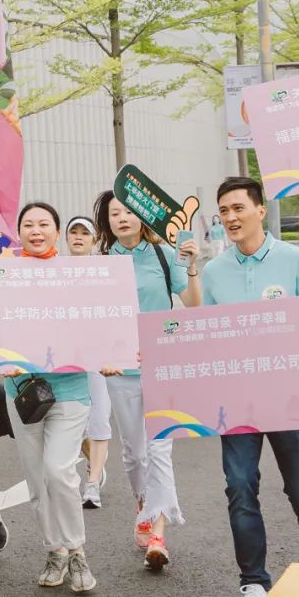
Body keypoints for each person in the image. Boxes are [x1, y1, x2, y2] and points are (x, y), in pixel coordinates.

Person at [200, 177, 299, 597]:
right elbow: (203, 334)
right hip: (236, 398)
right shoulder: (214, 271)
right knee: (240, 487)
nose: (231, 217)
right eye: (224, 210)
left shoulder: (293, 259)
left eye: (238, 207)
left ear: (261, 210)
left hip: (288, 394)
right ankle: (254, 585)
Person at [93, 190, 202, 572]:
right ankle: (143, 506)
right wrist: (101, 357)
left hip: (162, 364)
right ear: (106, 222)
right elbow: (92, 320)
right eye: (114, 213)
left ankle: (158, 531)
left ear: (142, 216)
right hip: (120, 372)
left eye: (128, 211)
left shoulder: (163, 254)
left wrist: (191, 266)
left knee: (159, 450)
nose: (122, 218)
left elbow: (194, 303)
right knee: (135, 454)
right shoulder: (101, 265)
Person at [1, 204, 97, 593]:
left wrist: (110, 355)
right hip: (23, 391)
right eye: (28, 225)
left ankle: (77, 551)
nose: (36, 231)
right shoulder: (5, 275)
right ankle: (54, 550)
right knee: (37, 479)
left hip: (70, 388)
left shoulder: (76, 274)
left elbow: (100, 323)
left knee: (59, 471)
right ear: (18, 232)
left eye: (44, 224)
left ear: (57, 232)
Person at [66, 215, 111, 508]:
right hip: (65, 358)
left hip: (98, 356)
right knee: (73, 424)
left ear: (94, 240)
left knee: (99, 418)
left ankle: (92, 483)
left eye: (85, 233)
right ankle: (95, 463)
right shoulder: (54, 272)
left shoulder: (105, 272)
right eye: (74, 232)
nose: (79, 237)